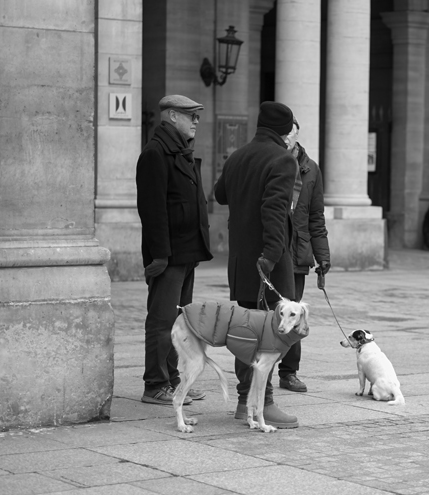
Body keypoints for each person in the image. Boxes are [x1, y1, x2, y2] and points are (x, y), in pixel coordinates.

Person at [213, 101, 300, 428]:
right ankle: (262, 403)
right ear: (285, 129)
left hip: (241, 261)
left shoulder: (238, 156)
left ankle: (244, 401)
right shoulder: (282, 159)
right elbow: (274, 212)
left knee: (246, 332)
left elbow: (220, 195)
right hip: (268, 261)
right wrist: (271, 257)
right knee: (270, 334)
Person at [136, 94, 213, 405]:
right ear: (171, 116)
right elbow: (152, 210)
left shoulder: (181, 150)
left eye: (197, 115)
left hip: (186, 251)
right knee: (161, 321)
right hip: (168, 255)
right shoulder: (156, 153)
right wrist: (160, 256)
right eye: (190, 115)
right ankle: (155, 384)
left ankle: (173, 380)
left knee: (180, 321)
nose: (196, 121)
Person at [277, 120, 331, 393]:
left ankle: (289, 372)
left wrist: (322, 255)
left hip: (297, 251)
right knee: (265, 313)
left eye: (291, 132)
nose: (286, 137)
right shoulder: (269, 161)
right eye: (282, 132)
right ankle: (259, 367)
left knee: (294, 312)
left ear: (297, 134)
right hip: (271, 249)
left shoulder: (310, 169)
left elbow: (316, 216)